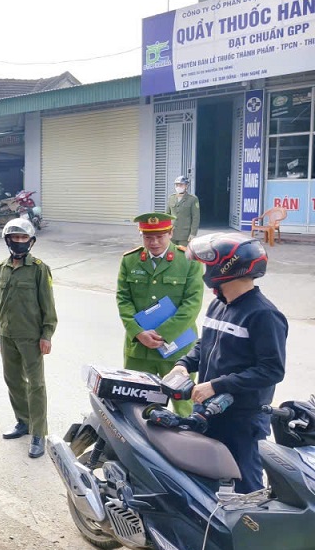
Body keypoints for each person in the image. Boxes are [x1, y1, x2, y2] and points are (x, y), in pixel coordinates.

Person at [170, 233, 287, 493]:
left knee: (245, 485)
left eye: (208, 264)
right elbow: (206, 344)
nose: (205, 269)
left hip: (242, 419)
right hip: (209, 410)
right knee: (202, 477)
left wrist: (217, 386)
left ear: (226, 268)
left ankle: (255, 534)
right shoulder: (218, 305)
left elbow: (271, 370)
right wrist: (183, 364)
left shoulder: (263, 315)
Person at [0, 218, 57, 459]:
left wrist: (46, 334)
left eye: (23, 238)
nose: (19, 242)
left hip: (31, 337)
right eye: (15, 238)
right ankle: (23, 421)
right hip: (8, 336)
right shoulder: (1, 268)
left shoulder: (39, 268)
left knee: (36, 385)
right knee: (13, 381)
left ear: (30, 241)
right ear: (8, 240)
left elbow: (48, 306)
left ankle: (39, 432)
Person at [116, 213, 205, 384]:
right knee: (135, 400)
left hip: (177, 350)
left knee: (183, 405)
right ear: (141, 235)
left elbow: (192, 304)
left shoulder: (189, 261)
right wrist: (138, 332)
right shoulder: (130, 260)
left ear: (170, 233)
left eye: (160, 236)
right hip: (139, 349)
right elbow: (123, 299)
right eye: (148, 237)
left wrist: (163, 334)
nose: (154, 242)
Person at [166, 175, 200, 247]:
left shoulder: (192, 199)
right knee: (171, 254)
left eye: (181, 185)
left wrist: (193, 233)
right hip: (172, 233)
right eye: (177, 185)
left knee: (183, 255)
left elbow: (196, 217)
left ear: (186, 186)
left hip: (185, 235)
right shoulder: (171, 198)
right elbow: (167, 215)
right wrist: (165, 231)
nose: (178, 187)